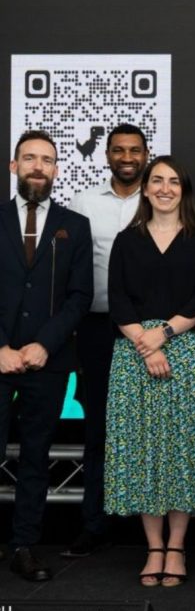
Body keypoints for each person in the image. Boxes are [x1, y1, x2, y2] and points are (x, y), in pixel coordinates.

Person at [105, 156, 195, 587]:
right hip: (134, 356)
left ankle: (177, 546)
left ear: (183, 190)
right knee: (143, 452)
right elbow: (118, 300)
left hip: (187, 353)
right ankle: (154, 546)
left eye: (174, 181)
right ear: (147, 189)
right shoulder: (126, 240)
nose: (166, 188)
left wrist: (164, 334)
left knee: (182, 449)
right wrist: (146, 343)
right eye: (158, 181)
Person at [1, 130, 93, 581]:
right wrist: (0, 348)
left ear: (57, 170)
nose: (39, 166)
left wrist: (43, 345)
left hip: (48, 363)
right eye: (30, 158)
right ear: (13, 166)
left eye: (47, 160)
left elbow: (80, 296)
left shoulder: (74, 226)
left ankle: (24, 546)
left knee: (36, 458)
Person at [65, 122, 149, 558]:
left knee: (148, 428)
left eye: (135, 150)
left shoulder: (159, 198)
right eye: (119, 150)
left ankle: (147, 530)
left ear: (146, 154)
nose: (127, 157)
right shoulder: (83, 202)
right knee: (97, 429)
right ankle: (93, 524)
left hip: (149, 332)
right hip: (97, 329)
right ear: (108, 155)